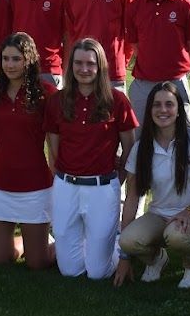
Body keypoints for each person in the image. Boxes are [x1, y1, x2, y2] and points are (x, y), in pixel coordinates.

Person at [46, 38, 139, 279]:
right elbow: (53, 146)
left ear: (100, 67)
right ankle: (89, 247)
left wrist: (118, 178)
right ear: (70, 66)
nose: (84, 69)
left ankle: (120, 248)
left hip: (102, 187)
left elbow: (129, 146)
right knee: (70, 271)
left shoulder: (117, 101)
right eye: (78, 63)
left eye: (90, 63)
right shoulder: (58, 100)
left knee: (98, 273)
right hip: (66, 186)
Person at [114, 84, 190, 288]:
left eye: (169, 104)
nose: (163, 110)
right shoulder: (141, 147)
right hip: (158, 215)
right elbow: (132, 196)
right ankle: (156, 259)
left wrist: (189, 212)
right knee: (127, 240)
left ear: (179, 109)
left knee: (176, 235)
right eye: (157, 105)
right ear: (150, 110)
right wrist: (124, 256)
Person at [0, 33, 57, 270]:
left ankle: (58, 243)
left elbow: (54, 141)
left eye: (16, 59)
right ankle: (26, 242)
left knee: (38, 264)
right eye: (5, 59)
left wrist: (57, 177)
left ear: (29, 60)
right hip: (0, 181)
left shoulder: (47, 93)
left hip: (35, 183)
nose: (9, 65)